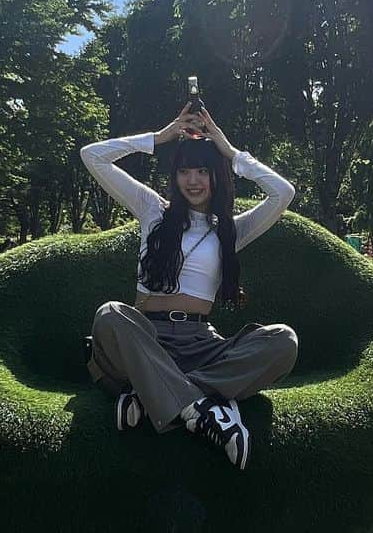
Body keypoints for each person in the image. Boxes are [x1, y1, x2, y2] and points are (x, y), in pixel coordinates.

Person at [80, 102, 298, 471]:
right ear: (174, 176)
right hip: (146, 337)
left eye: (203, 171)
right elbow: (93, 157)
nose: (193, 181)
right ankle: (204, 410)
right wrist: (158, 138)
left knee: (283, 341)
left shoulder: (230, 229)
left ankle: (154, 396)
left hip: (200, 345)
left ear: (217, 176)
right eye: (184, 171)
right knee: (111, 315)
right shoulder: (153, 210)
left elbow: (283, 193)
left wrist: (231, 153)